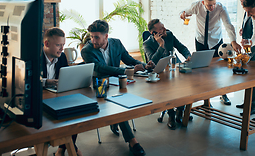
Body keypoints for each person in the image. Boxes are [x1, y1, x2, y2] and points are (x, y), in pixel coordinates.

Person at [81, 20, 155, 156]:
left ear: (106, 36)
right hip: (100, 86)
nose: (93, 40)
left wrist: (144, 65)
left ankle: (115, 121)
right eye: (91, 36)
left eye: (96, 37)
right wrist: (127, 71)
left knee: (134, 96)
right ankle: (133, 142)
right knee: (118, 105)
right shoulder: (87, 50)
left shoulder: (116, 43)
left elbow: (129, 60)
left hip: (118, 84)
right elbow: (99, 68)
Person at [180, 0, 241, 106]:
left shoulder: (221, 8)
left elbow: (228, 25)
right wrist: (182, 14)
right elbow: (184, 12)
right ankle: (206, 100)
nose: (212, 7)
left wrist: (233, 41)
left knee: (219, 71)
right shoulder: (196, 6)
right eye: (209, 5)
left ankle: (223, 94)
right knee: (203, 71)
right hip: (200, 41)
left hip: (216, 42)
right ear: (203, 2)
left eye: (214, 4)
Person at [143, 19, 192, 129]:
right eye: (161, 29)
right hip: (160, 72)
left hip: (175, 67)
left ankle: (180, 110)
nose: (165, 29)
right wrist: (161, 45)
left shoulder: (169, 35)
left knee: (185, 82)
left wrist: (188, 55)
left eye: (163, 26)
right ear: (153, 33)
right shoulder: (147, 44)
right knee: (167, 87)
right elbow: (152, 61)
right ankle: (171, 115)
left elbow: (181, 47)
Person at [41, 27, 83, 156]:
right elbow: (27, 79)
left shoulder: (62, 57)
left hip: (56, 96)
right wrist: (47, 81)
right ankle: (71, 148)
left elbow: (65, 76)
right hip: (39, 99)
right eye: (58, 45)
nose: (61, 49)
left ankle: (61, 149)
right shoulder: (34, 57)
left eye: (63, 45)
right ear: (47, 44)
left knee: (74, 114)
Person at [235, 0, 255, 115]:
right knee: (248, 75)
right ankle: (248, 102)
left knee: (253, 76)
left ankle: (253, 106)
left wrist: (251, 50)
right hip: (248, 45)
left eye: (244, 1)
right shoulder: (247, 9)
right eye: (241, 1)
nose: (242, 3)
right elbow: (248, 25)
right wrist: (243, 31)